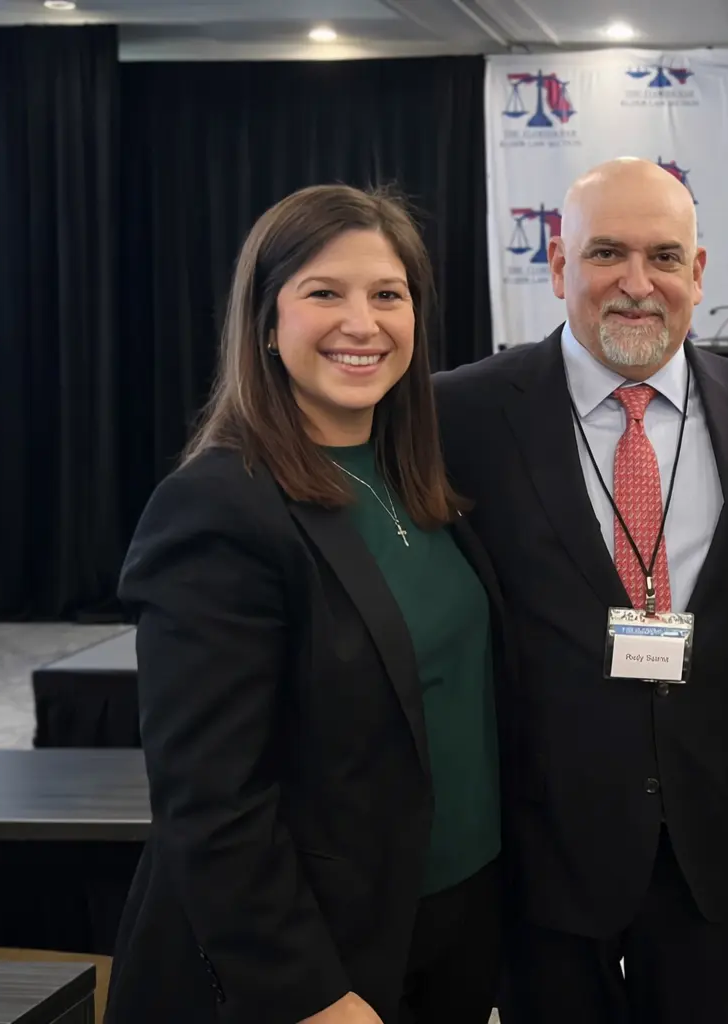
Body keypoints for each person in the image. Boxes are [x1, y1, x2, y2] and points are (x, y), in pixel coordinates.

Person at [106, 184, 507, 1024]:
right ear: (265, 320)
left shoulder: (418, 481)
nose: (361, 323)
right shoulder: (218, 509)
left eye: (387, 295)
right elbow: (209, 798)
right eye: (324, 292)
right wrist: (307, 992)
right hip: (324, 958)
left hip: (449, 922)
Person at [433, 157, 728, 1024]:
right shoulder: (459, 416)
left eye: (665, 256)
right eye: (606, 255)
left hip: (709, 839)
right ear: (558, 267)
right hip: (538, 840)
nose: (638, 284)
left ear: (699, 274)